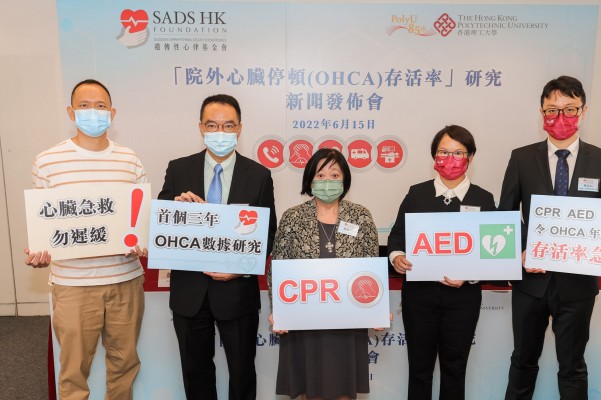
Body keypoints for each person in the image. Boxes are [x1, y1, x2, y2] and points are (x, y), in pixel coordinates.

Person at [499, 76, 601, 400]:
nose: (560, 118)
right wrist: (520, 252)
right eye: (552, 110)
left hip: (577, 285)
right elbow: (506, 217)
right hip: (530, 283)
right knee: (522, 362)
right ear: (541, 112)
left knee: (572, 366)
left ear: (583, 111)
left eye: (569, 109)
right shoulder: (521, 158)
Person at [25, 79, 147, 400]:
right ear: (70, 112)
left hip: (126, 282)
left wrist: (144, 237)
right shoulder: (48, 161)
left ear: (113, 113)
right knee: (74, 371)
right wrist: (41, 250)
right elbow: (44, 224)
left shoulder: (130, 159)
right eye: (84, 106)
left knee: (125, 365)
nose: (93, 112)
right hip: (73, 286)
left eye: (100, 106)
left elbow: (140, 220)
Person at [157, 94, 277, 400]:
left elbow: (267, 234)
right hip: (189, 290)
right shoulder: (179, 168)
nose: (220, 132)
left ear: (239, 128)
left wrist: (240, 271)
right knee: (195, 372)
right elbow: (161, 220)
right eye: (212, 125)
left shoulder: (260, 175)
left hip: (237, 292)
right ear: (200, 127)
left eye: (228, 125)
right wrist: (176, 206)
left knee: (241, 373)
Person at [387, 125, 496, 400]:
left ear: (470, 157)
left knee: (455, 369)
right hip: (420, 298)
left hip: (463, 299)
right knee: (419, 369)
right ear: (434, 156)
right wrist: (396, 256)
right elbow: (397, 236)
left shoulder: (484, 199)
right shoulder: (416, 194)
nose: (450, 158)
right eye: (443, 152)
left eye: (458, 152)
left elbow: (494, 253)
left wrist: (470, 274)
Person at [267, 148, 379, 400]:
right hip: (303, 320)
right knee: (309, 390)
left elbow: (372, 269)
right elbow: (278, 266)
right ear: (310, 179)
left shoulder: (360, 216)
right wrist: (279, 310)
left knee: (343, 391)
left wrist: (376, 307)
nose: (327, 181)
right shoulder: (293, 217)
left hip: (346, 322)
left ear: (345, 179)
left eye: (335, 174)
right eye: (320, 175)